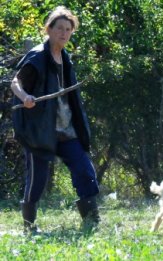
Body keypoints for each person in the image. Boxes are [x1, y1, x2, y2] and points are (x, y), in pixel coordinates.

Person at [10, 6, 100, 233]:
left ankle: (91, 220)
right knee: (37, 181)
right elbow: (15, 82)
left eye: (68, 29)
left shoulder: (65, 57)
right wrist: (26, 97)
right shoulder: (38, 56)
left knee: (84, 169)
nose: (64, 33)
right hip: (40, 130)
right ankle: (29, 227)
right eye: (59, 28)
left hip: (66, 129)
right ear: (48, 30)